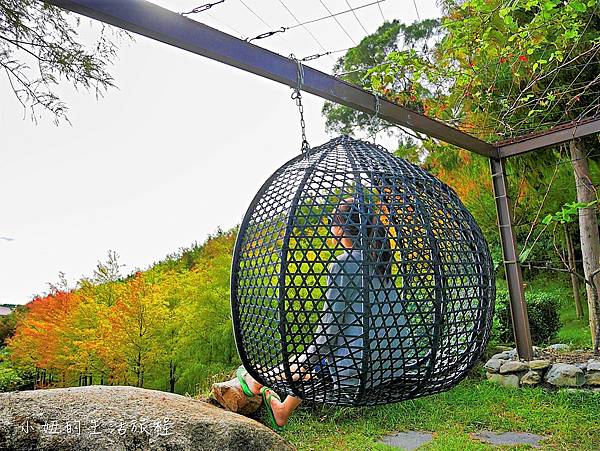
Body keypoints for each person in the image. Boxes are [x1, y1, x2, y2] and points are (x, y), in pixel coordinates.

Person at [233, 197, 412, 430]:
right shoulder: (380, 259)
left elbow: (330, 327)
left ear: (341, 227)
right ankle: (279, 404)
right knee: (314, 359)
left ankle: (255, 380)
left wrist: (307, 359)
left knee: (308, 360)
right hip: (392, 362)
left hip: (361, 369)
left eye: (332, 219)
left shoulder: (345, 263)